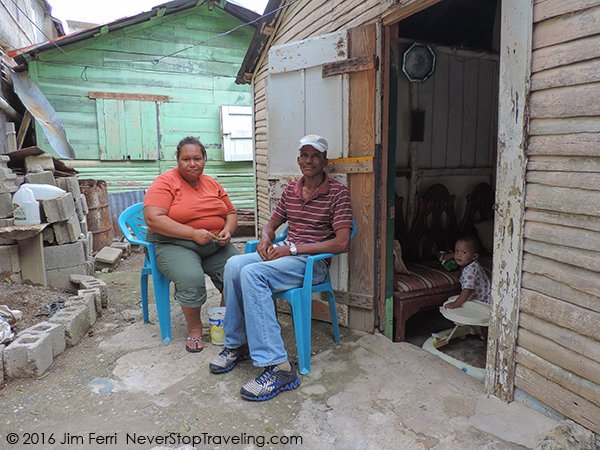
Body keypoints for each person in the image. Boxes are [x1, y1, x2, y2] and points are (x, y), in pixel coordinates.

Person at [209, 134, 353, 401]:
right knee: (233, 265)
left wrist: (292, 249)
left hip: (311, 262)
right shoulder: (291, 190)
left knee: (252, 273)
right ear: (298, 160)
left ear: (325, 161)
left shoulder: (337, 193)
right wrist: (265, 238)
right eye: (304, 155)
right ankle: (238, 344)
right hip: (286, 253)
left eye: (315, 155)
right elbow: (272, 224)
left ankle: (279, 367)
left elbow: (342, 242)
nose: (309, 160)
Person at [144, 136, 240, 353]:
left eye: (197, 158)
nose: (192, 163)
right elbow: (153, 219)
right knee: (191, 278)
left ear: (204, 159)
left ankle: (223, 321)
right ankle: (195, 329)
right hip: (174, 243)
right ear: (177, 160)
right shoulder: (165, 182)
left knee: (236, 269)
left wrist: (228, 230)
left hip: (213, 243)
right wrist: (192, 233)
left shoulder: (211, 183)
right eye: (186, 159)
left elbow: (231, 213)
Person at [442, 236, 491, 309]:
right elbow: (460, 255)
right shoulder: (472, 263)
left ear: (474, 256)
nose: (458, 255)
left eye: (464, 252)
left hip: (484, 302)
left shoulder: (470, 271)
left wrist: (456, 304)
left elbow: (467, 290)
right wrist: (451, 255)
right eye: (456, 251)